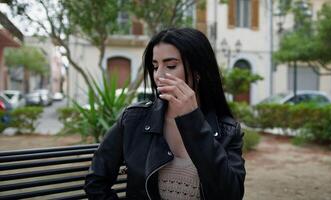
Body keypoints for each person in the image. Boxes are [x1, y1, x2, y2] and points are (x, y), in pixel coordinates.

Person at [84, 28, 245, 200]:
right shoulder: (133, 119)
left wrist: (192, 120)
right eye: (155, 66)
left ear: (198, 71)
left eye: (171, 66)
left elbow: (231, 194)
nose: (158, 75)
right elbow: (96, 181)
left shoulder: (227, 130)